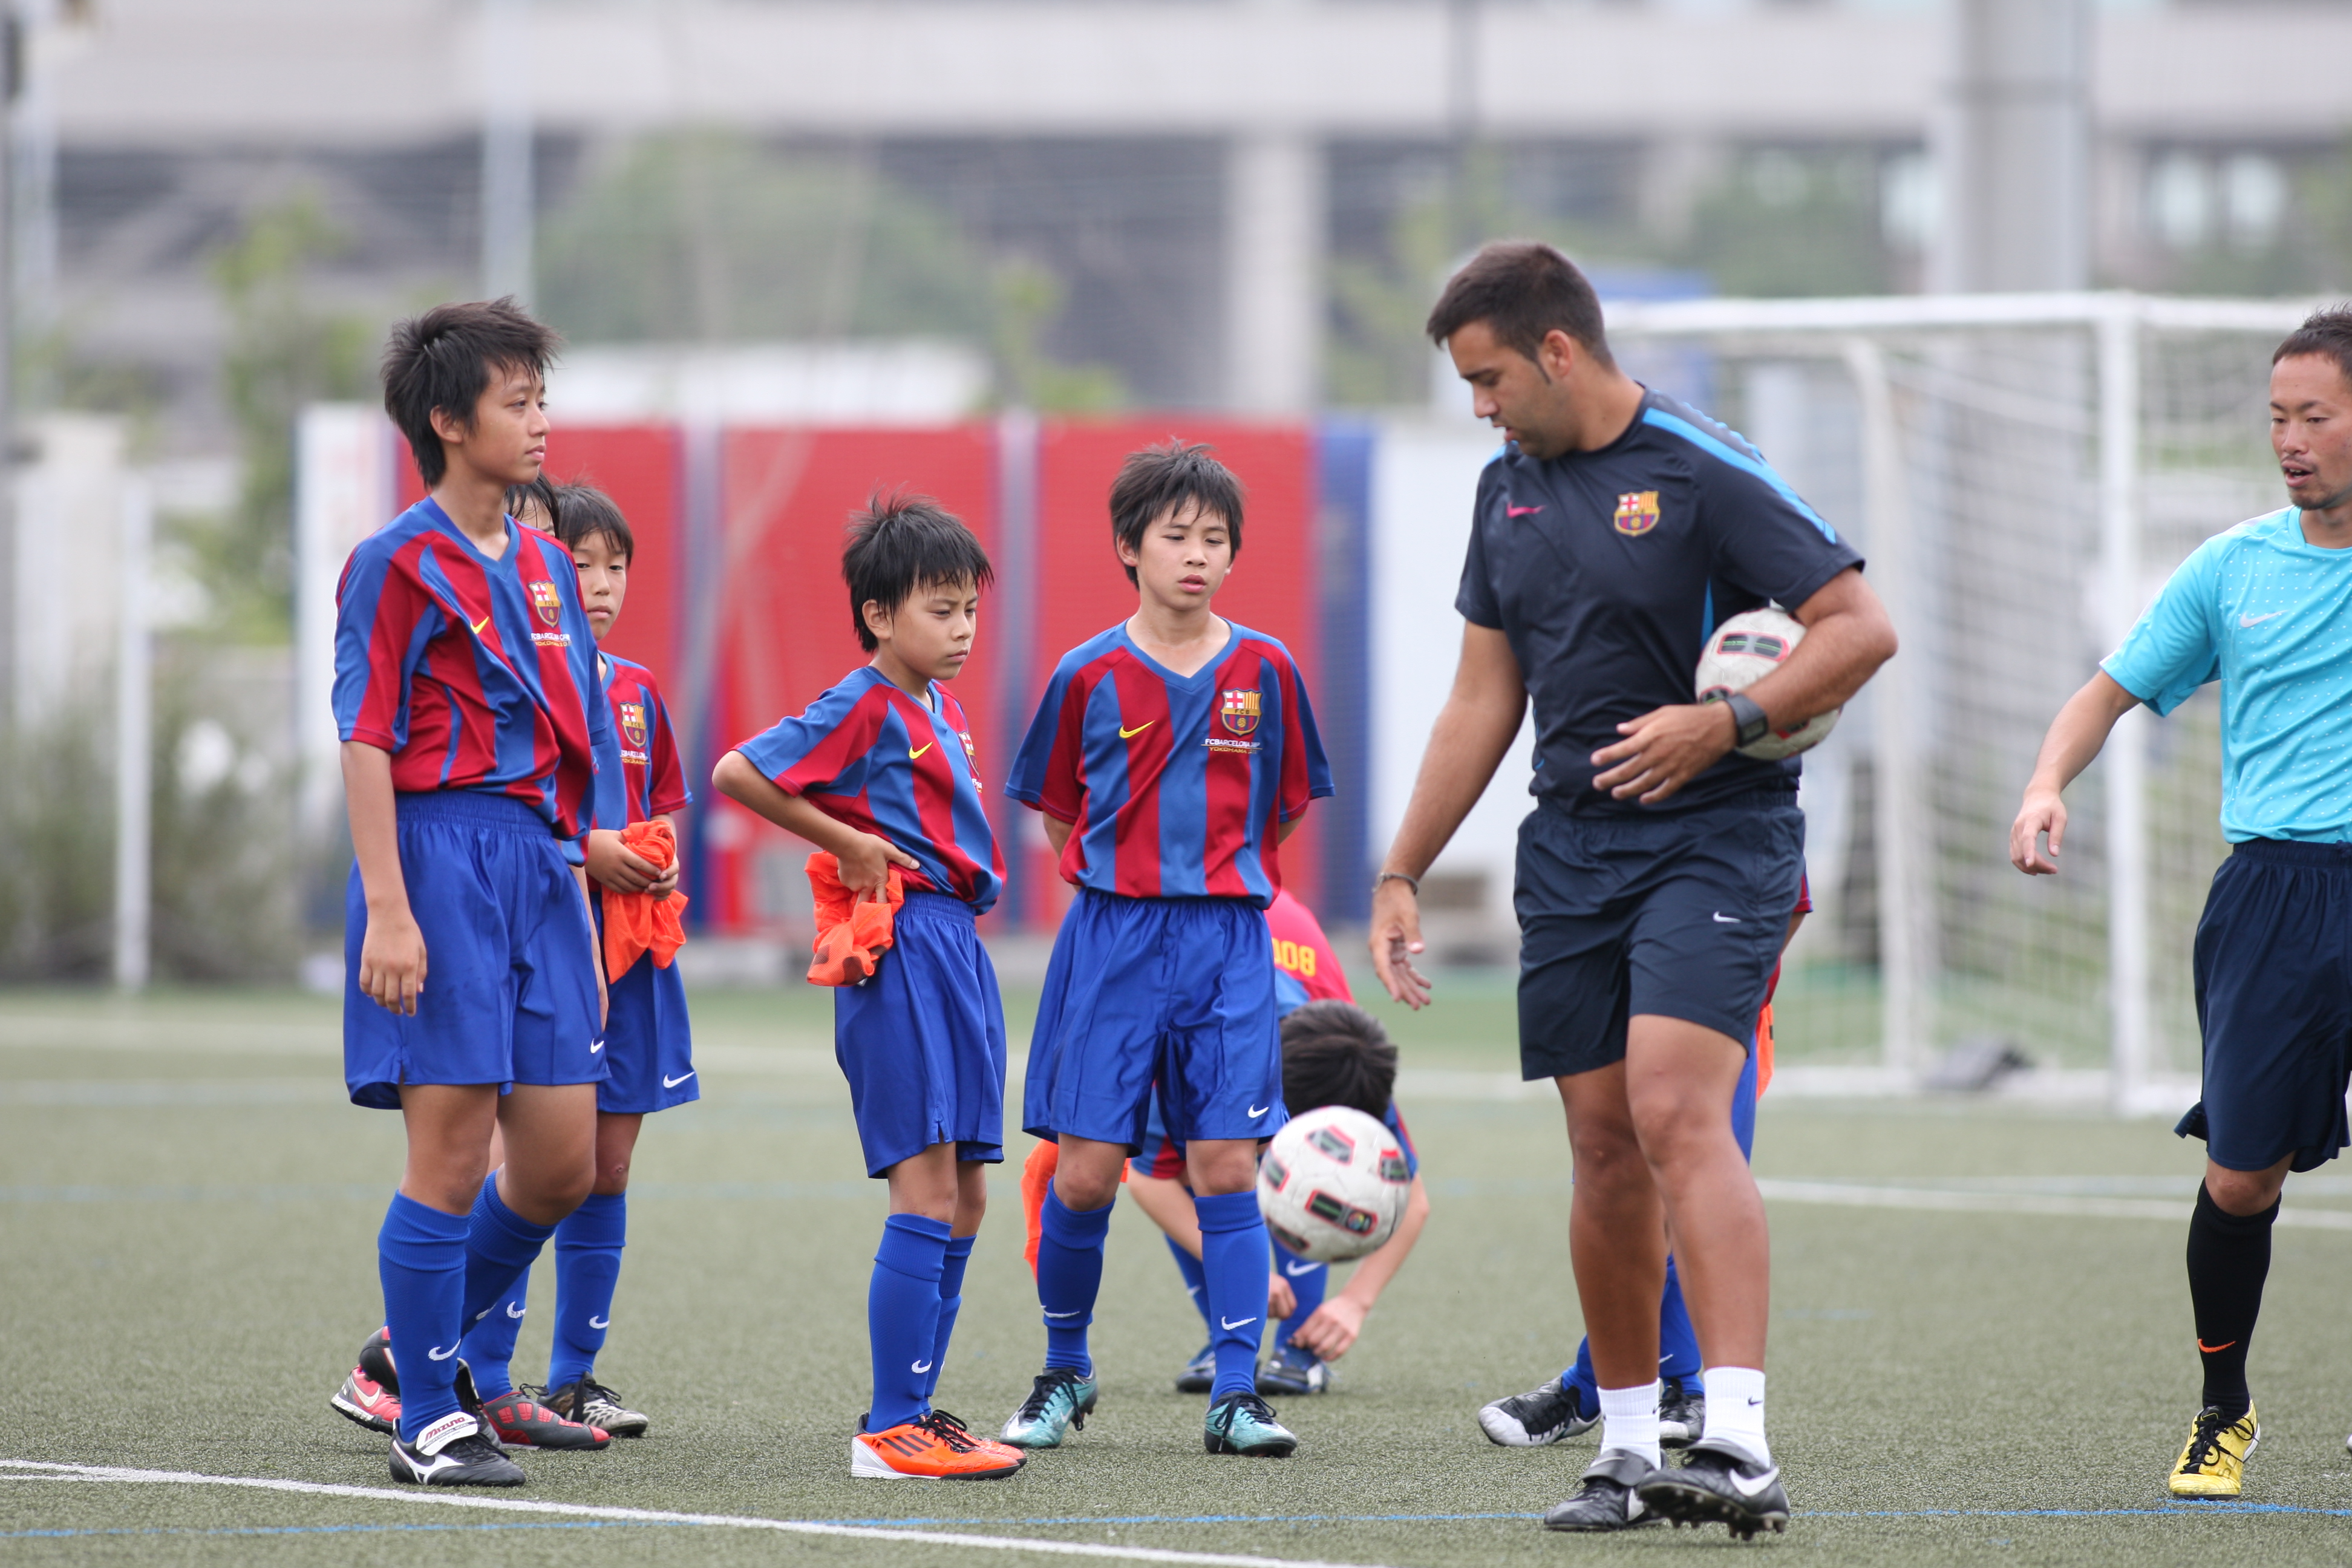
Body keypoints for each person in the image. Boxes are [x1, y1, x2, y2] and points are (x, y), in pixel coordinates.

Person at [1369, 242, 1894, 1537]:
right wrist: (1401, 869)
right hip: (1573, 853)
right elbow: (1481, 699)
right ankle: (1622, 1450)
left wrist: (1730, 722)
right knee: (1602, 1149)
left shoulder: (1703, 467)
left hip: (1718, 839)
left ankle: (1737, 1446)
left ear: (1559, 349)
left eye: (1489, 379)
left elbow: (1859, 626)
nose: (1481, 407)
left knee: (1673, 1111)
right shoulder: (1510, 494)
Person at [2010, 309, 2352, 1501]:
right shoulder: (2234, 566)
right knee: (2241, 1178)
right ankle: (2225, 1406)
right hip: (2275, 896)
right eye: (2277, 417)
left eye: (2317, 415)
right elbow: (2104, 695)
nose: (2290, 440)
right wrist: (2048, 784)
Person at [998, 440, 1333, 1459]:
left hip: (1229, 939)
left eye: (1216, 539)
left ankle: (1237, 1393)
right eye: (1176, 536)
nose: (1197, 555)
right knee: (1088, 1174)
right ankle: (1064, 1371)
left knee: (1227, 1165)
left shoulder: (1267, 668)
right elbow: (1056, 819)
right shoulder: (1084, 672)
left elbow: (1278, 815)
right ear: (1127, 547)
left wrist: (1204, 888)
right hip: (1111, 937)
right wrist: (1128, 882)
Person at [330, 298, 612, 1488]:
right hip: (437, 856)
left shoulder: (546, 563)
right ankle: (427, 1421)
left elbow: (571, 741)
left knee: (560, 1164)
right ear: (448, 421)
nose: (542, 421)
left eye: (544, 397)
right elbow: (364, 737)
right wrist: (390, 908)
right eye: (518, 401)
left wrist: (586, 886)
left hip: (539, 868)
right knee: (448, 1156)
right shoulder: (392, 562)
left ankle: (409, 1348)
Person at [713, 492, 1022, 1480]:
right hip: (900, 949)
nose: (961, 627)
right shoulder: (860, 702)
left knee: (969, 1194)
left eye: (969, 607)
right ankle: (888, 1426)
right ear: (880, 615)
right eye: (939, 608)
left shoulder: (943, 707)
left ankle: (919, 1407)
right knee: (924, 1185)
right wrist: (844, 839)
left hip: (956, 945)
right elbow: (736, 771)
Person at [454, 482, 697, 1443]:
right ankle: (478, 1370)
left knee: (609, 1165)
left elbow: (666, 800)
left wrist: (655, 850)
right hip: (546, 938)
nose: (598, 583)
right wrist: (587, 853)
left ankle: (575, 1377)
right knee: (527, 1158)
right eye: (580, 561)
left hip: (632, 955)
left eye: (616, 564)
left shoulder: (635, 691)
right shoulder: (516, 677)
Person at [1480, 884, 1809, 1458]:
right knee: (1616, 1193)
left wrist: (1723, 995)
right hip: (1604, 1007)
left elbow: (1787, 897)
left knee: (1683, 1192)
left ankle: (1626, 1388)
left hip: (1711, 1010)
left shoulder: (1736, 810)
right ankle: (1637, 1388)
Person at [1120, 891, 1431, 1397]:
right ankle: (1226, 1328)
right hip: (1184, 958)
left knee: (1297, 1180)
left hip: (1256, 934)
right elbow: (1148, 1178)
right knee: (1205, 1166)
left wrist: (1356, 1302)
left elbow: (1412, 1202)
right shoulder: (1189, 1042)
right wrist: (1243, 1275)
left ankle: (1299, 1348)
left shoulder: (1352, 1059)